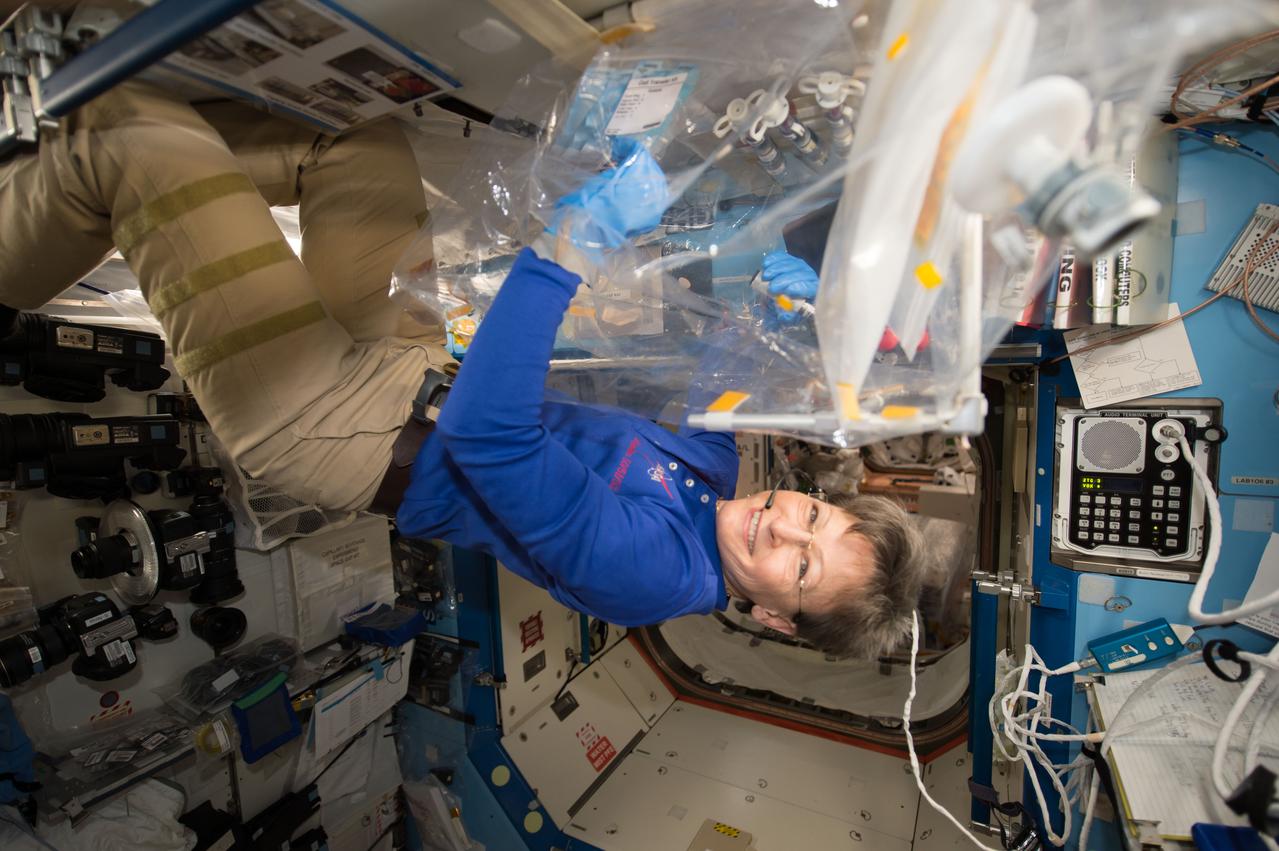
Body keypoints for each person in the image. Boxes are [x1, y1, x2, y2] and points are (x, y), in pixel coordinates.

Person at [0, 82, 923, 659]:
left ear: (768, 617)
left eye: (797, 570)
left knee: (138, 145)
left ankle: (102, 157)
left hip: (346, 433)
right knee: (355, 146)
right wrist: (767, 319)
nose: (779, 529)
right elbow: (716, 389)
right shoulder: (714, 479)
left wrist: (567, 249)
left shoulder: (653, 574)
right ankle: (98, 154)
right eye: (812, 517)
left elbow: (490, 438)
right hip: (412, 369)